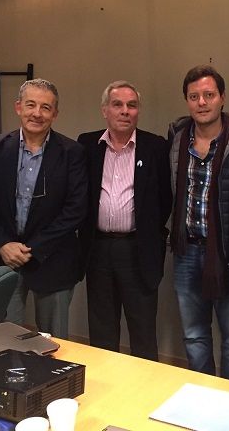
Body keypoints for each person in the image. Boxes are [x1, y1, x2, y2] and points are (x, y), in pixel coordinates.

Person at [0, 78, 87, 339]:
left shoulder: (72, 152)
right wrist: (3, 244)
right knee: (3, 339)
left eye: (46, 107)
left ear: (55, 114)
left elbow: (75, 209)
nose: (37, 113)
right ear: (18, 107)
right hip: (4, 260)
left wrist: (33, 249)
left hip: (53, 259)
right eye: (31, 105)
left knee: (55, 342)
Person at [78, 81, 171, 361]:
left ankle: (145, 386)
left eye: (132, 105)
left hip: (138, 249)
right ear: (105, 110)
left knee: (143, 331)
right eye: (117, 104)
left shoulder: (155, 146)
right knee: (102, 330)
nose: (125, 111)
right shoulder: (87, 144)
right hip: (98, 249)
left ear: (138, 111)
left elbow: (165, 199)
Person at [169, 65, 229, 381]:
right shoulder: (177, 138)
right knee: (194, 335)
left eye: (209, 95)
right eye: (194, 97)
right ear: (187, 101)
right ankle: (204, 395)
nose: (202, 102)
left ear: (222, 98)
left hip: (228, 254)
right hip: (186, 251)